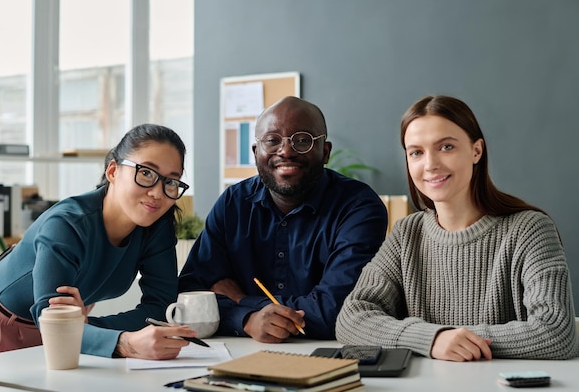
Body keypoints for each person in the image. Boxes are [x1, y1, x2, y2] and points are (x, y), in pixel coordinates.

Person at [336, 95, 579, 361]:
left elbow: (556, 332)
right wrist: (433, 339)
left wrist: (454, 341)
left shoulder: (530, 229)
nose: (430, 164)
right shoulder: (406, 233)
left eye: (446, 147)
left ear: (476, 151)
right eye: (416, 152)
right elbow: (351, 318)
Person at [0, 124, 198, 359]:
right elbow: (53, 325)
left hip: (64, 326)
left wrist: (85, 327)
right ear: (113, 171)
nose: (158, 193)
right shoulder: (66, 225)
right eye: (146, 173)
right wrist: (120, 341)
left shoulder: (156, 226)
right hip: (0, 320)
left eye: (170, 181)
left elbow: (160, 309)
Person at [178, 96, 388, 343]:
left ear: (326, 152)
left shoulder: (358, 207)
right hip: (240, 353)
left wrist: (243, 301)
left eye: (303, 140)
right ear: (257, 152)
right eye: (272, 140)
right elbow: (190, 296)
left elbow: (338, 310)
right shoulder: (233, 204)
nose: (286, 151)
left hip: (329, 356)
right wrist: (247, 320)